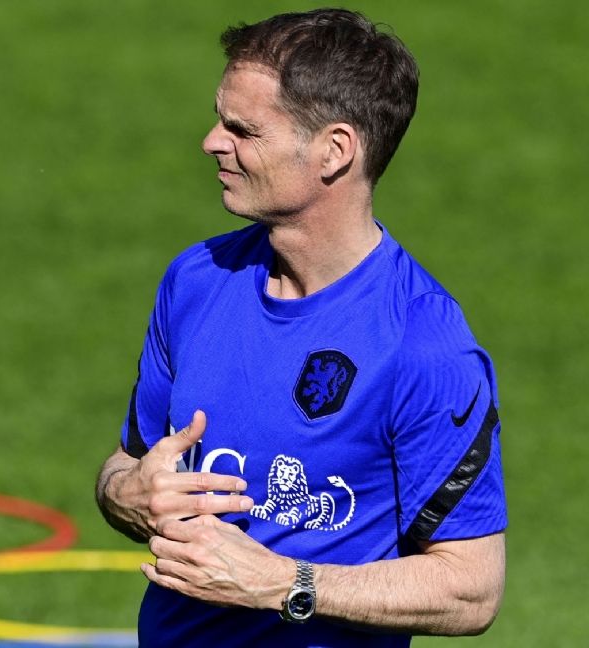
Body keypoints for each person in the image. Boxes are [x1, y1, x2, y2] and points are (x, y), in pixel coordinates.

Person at [94, 8, 507, 647]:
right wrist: (129, 494)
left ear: (334, 151)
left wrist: (284, 584)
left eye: (243, 129)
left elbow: (471, 588)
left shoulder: (422, 344)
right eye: (220, 119)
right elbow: (127, 466)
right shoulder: (196, 280)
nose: (211, 141)